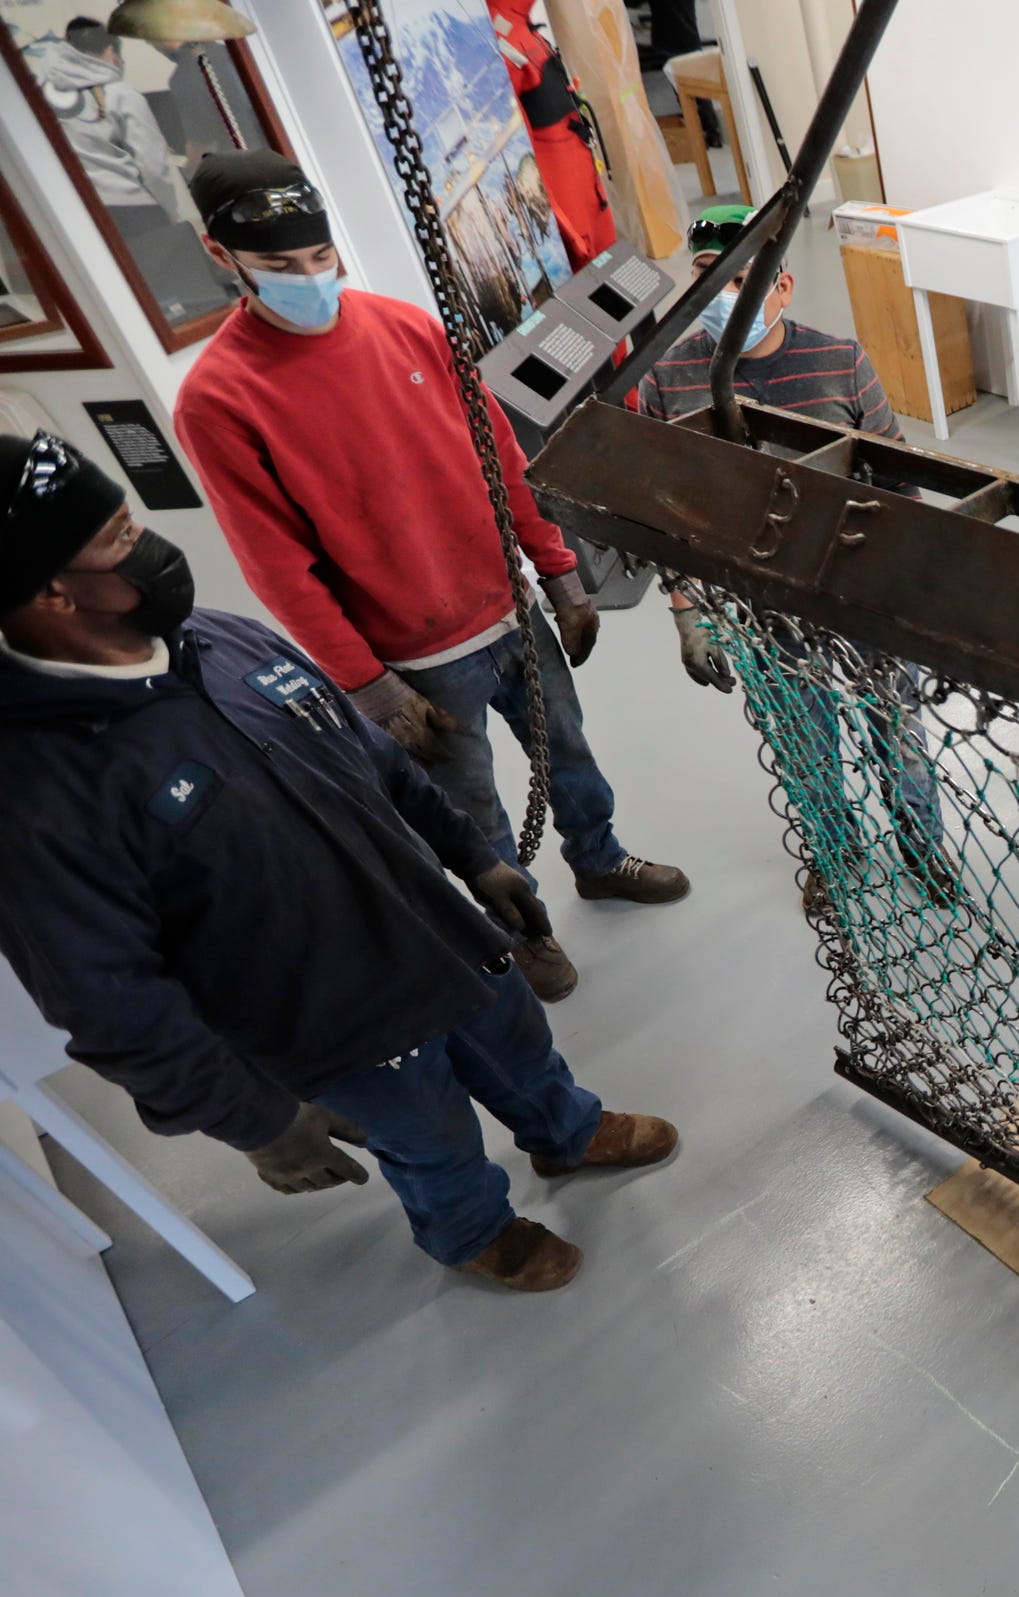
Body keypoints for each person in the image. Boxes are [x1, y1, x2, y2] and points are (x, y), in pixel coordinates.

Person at [0, 434, 679, 1291]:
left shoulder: (219, 639)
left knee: (518, 1042)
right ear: (52, 590)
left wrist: (474, 859)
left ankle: (567, 1132)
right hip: (327, 1019)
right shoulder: (36, 791)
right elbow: (109, 1003)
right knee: (427, 1132)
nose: (154, 548)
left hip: (432, 929)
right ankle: (471, 1228)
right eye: (121, 538)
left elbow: (376, 761)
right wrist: (254, 1121)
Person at [170, 149, 687, 1004]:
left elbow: (503, 458)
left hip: (506, 610)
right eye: (281, 268)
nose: (310, 279)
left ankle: (598, 861)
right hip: (416, 655)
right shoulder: (220, 399)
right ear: (222, 257)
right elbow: (279, 569)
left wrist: (558, 575)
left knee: (571, 752)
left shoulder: (407, 327)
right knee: (472, 810)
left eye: (318, 258)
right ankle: (522, 931)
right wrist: (370, 689)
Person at [639, 205, 954, 910]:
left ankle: (921, 846)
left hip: (857, 592)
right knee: (804, 745)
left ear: (783, 288)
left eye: (746, 279)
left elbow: (901, 484)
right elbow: (666, 516)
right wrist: (687, 613)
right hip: (761, 610)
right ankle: (835, 853)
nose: (728, 294)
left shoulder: (838, 362)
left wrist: (913, 597)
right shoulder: (668, 380)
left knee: (897, 736)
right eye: (709, 276)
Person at [25, 19, 187, 246]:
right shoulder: (119, 93)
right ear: (111, 52)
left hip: (75, 212)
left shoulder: (38, 95)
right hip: (133, 210)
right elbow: (153, 166)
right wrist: (171, 212)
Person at [485, 0, 617, 268]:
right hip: (569, 208)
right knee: (592, 286)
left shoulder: (519, 24)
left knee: (611, 275)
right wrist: (563, 226)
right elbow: (517, 151)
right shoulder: (500, 39)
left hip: (587, 195)